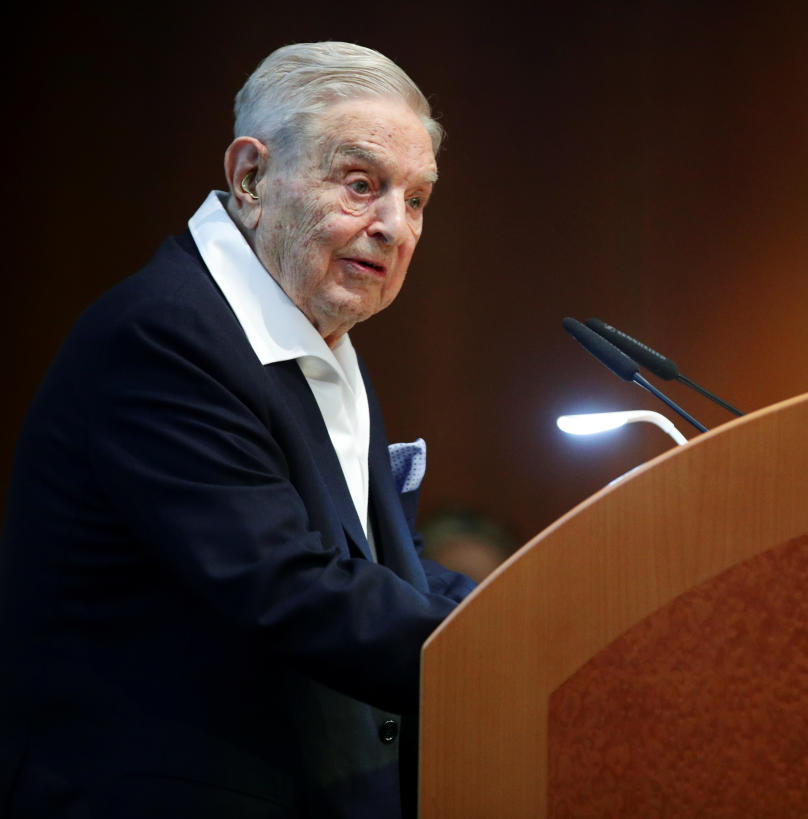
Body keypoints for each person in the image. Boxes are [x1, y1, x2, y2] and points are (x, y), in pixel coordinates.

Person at [0, 42, 475, 818]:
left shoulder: (311, 337)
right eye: (362, 185)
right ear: (251, 176)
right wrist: (509, 656)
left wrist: (534, 611)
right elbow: (290, 584)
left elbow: (380, 565)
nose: (396, 227)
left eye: (417, 199)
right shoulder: (164, 338)